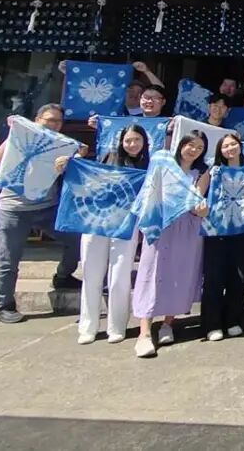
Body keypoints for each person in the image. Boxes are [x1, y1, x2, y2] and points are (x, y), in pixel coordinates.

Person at [0, 104, 88, 325]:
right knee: (8, 259)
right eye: (49, 120)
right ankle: (3, 305)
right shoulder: (20, 136)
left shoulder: (62, 143)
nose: (54, 125)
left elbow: (79, 157)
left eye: (58, 121)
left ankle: (63, 276)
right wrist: (15, 132)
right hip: (14, 208)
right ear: (37, 119)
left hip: (46, 207)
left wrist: (76, 156)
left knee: (75, 239)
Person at [131, 131, 210, 358]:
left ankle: (168, 323)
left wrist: (202, 209)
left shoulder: (202, 172)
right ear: (180, 144)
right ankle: (144, 333)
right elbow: (150, 193)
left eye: (199, 148)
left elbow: (196, 201)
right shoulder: (163, 163)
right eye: (190, 145)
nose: (194, 150)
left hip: (187, 228)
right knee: (151, 273)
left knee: (179, 274)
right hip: (160, 225)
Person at [77, 124, 148, 345]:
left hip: (126, 225)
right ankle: (88, 327)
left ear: (144, 142)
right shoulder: (109, 158)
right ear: (121, 142)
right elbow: (87, 180)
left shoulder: (148, 164)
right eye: (128, 140)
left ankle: (117, 326)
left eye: (137, 140)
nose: (132, 144)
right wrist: (70, 162)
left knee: (120, 277)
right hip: (97, 223)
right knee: (91, 275)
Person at [202, 133, 244, 342]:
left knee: (237, 278)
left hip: (242, 230)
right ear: (220, 151)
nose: (230, 148)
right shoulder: (213, 170)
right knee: (214, 278)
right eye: (225, 146)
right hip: (215, 231)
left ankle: (233, 320)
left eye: (233, 144)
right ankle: (212, 324)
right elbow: (199, 193)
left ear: (240, 146)